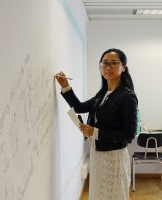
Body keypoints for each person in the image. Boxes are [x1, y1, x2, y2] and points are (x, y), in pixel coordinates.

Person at [55, 48, 138, 200]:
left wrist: (95, 132)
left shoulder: (127, 96)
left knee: (113, 195)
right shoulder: (103, 93)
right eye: (104, 63)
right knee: (99, 195)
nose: (108, 67)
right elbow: (80, 107)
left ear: (124, 67)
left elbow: (129, 133)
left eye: (114, 63)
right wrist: (65, 85)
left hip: (114, 157)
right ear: (100, 67)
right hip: (97, 153)